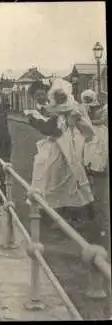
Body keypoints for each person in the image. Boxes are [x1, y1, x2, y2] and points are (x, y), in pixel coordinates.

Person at [25, 79, 97, 240]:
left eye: (41, 94)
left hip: (68, 146)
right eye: (36, 96)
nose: (40, 98)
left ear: (47, 93)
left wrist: (67, 118)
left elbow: (70, 120)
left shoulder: (62, 105)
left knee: (71, 177)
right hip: (55, 146)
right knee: (51, 177)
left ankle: (77, 215)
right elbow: (50, 129)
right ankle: (54, 213)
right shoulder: (38, 112)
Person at [81, 90, 109, 254]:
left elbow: (101, 122)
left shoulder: (102, 123)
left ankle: (102, 229)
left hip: (100, 144)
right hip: (93, 148)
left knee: (100, 198)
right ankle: (95, 226)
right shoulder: (91, 119)